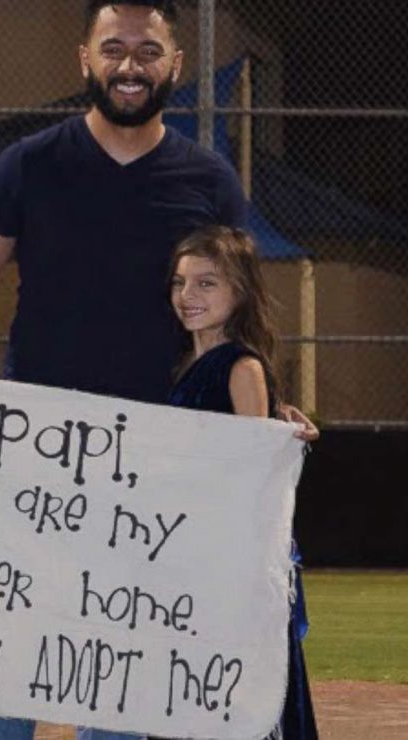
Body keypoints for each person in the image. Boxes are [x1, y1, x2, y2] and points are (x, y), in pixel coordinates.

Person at [0, 1, 318, 737]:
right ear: (85, 58)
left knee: (118, 683)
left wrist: (270, 414)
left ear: (175, 65)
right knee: (4, 658)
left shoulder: (207, 178)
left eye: (149, 50)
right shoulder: (30, 165)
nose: (131, 65)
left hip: (150, 474)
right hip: (34, 460)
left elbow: (238, 311)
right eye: (114, 48)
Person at [166, 225, 318, 739]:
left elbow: (251, 474)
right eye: (180, 283)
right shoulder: (192, 364)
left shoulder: (239, 365)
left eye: (206, 283)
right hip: (196, 558)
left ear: (240, 291)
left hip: (225, 566)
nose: (188, 296)